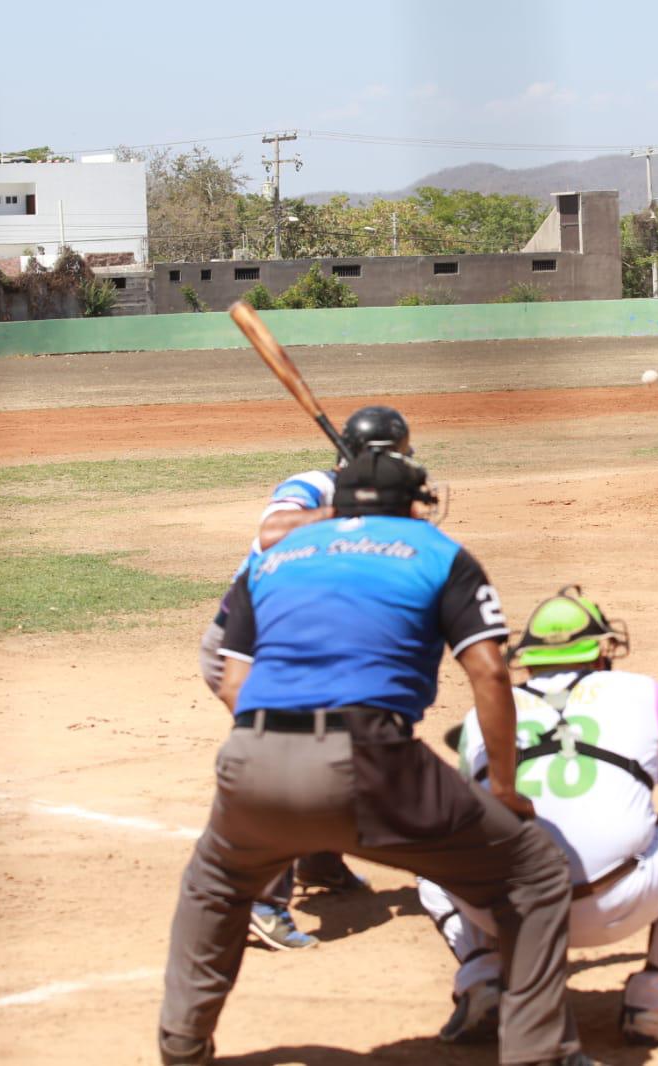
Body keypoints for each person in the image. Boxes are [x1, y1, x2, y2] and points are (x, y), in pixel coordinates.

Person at [159, 449, 593, 1066]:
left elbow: (232, 681)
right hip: (374, 757)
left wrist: (284, 750)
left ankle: (181, 1050)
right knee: (534, 873)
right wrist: (503, 788)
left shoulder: (275, 557)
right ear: (411, 503)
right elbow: (490, 673)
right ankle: (536, 1053)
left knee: (214, 886)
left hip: (252, 754)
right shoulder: (439, 551)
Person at [420, 586, 658, 1048]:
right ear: (600, 653)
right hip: (614, 904)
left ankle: (483, 980)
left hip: (506, 912)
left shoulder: (481, 715)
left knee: (432, 846)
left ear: (527, 660)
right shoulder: (641, 692)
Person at [194, 407, 408, 950]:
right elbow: (271, 533)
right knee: (291, 764)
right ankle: (260, 901)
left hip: (302, 653)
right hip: (246, 650)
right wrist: (344, 509)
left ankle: (319, 860)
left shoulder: (389, 513)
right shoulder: (313, 487)